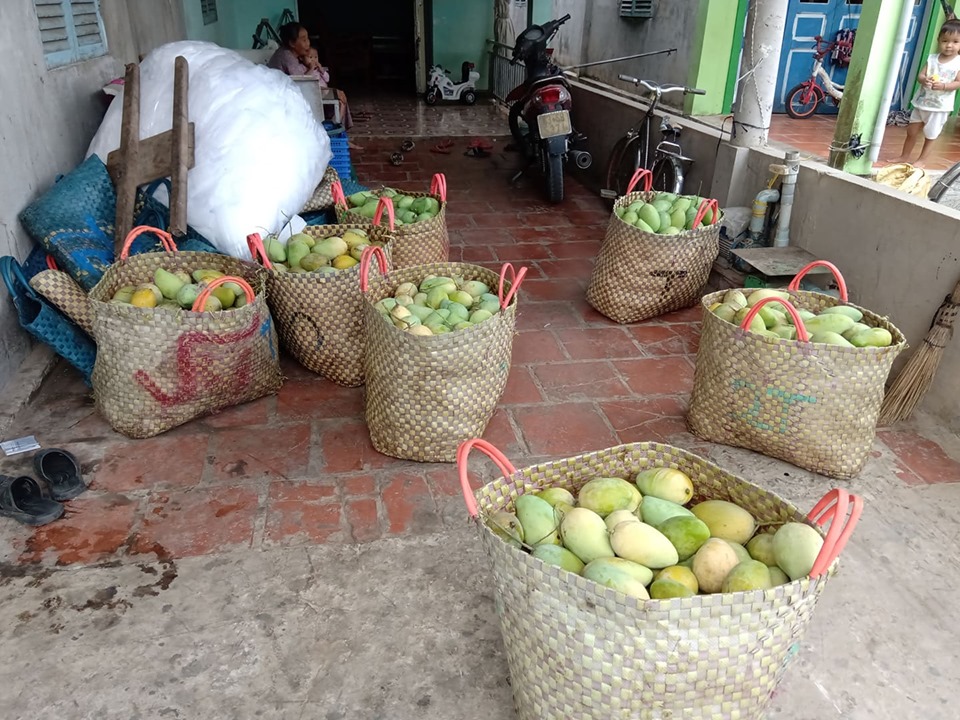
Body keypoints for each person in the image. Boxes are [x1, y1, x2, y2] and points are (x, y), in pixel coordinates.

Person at [268, 22, 357, 139]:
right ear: (292, 43)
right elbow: (302, 83)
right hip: (286, 98)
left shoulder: (293, 55)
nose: (308, 43)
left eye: (307, 39)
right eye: (304, 40)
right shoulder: (286, 56)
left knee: (339, 96)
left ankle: (340, 136)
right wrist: (330, 91)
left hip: (297, 93)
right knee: (338, 99)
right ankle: (334, 137)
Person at [892, 19, 960, 167]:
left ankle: (922, 160)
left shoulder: (958, 62)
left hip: (939, 107)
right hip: (922, 102)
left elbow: (958, 82)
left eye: (955, 42)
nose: (949, 45)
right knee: (911, 131)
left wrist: (943, 86)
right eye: (945, 41)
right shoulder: (932, 59)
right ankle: (904, 156)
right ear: (938, 41)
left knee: (931, 135)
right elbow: (920, 76)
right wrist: (925, 80)